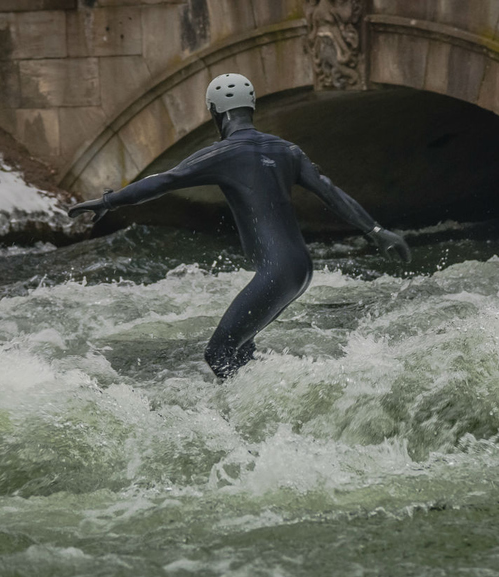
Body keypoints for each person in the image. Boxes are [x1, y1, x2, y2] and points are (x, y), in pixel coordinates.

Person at [68, 73, 410, 379]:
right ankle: (269, 405)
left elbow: (162, 181)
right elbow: (333, 194)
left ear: (216, 112)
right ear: (252, 107)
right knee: (242, 349)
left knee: (217, 354)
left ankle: (246, 426)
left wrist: (109, 201)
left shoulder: (222, 154)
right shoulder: (287, 150)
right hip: (301, 269)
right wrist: (376, 231)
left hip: (276, 272)